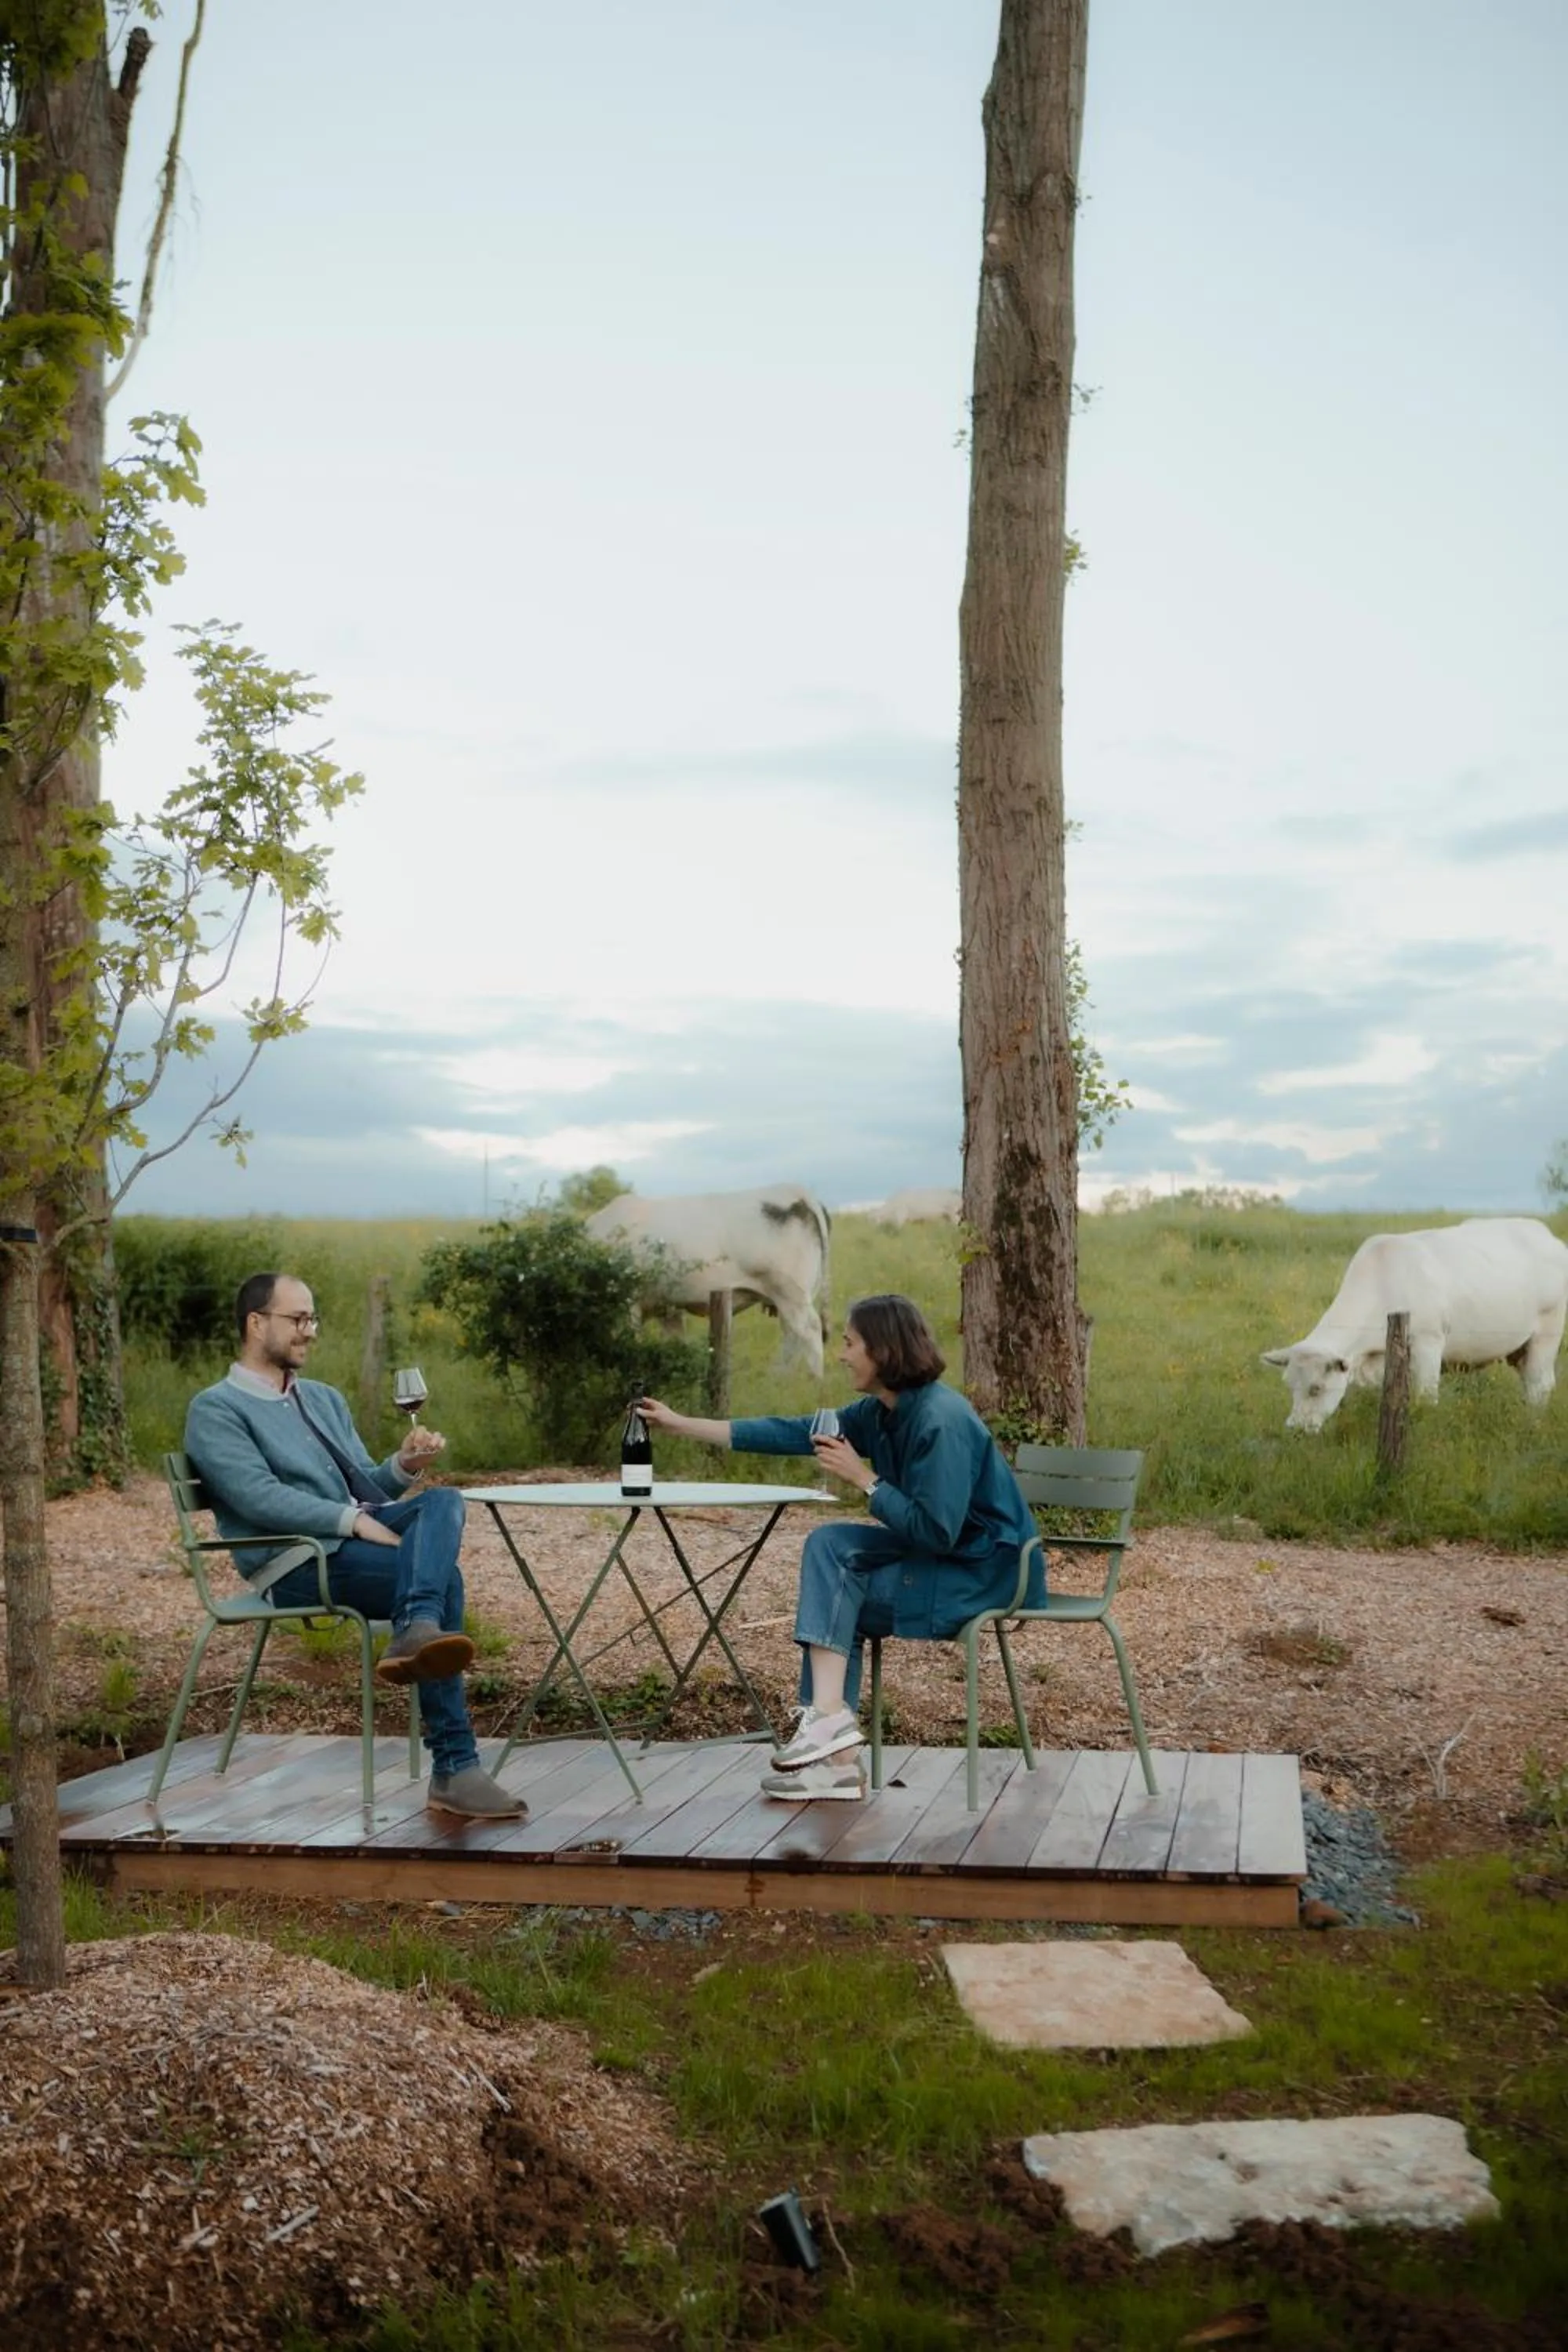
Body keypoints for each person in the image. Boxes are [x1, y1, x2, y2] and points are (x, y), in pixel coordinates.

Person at [641, 1292, 1044, 1802]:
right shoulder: (881, 1412)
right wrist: (681, 1423)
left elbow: (936, 1531)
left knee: (837, 1593)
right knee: (830, 1545)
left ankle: (831, 1747)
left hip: (978, 1574)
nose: (842, 1354)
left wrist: (865, 1479)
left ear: (883, 1349)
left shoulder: (939, 1421)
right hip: (942, 1559)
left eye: (850, 1343)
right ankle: (830, 1740)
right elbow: (791, 1433)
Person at [184, 1271, 524, 1820]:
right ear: (255, 1323)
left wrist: (403, 1466)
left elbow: (366, 1486)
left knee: (443, 1500)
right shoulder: (217, 1410)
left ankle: (416, 1632)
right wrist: (353, 1523)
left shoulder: (322, 1398)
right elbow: (258, 1498)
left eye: (312, 1319)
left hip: (345, 1546)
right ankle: (455, 1767)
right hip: (296, 1561)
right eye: (298, 1319)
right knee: (447, 1581)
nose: (309, 1331)